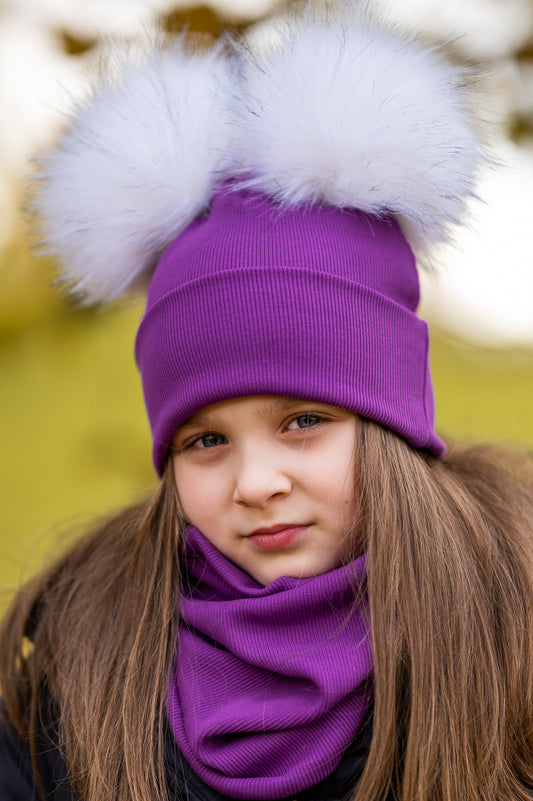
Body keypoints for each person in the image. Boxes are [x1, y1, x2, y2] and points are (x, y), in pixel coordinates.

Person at [1, 7, 532, 801]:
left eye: (304, 421)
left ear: (392, 422)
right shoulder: (76, 671)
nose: (255, 482)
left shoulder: (509, 631)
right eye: (205, 440)